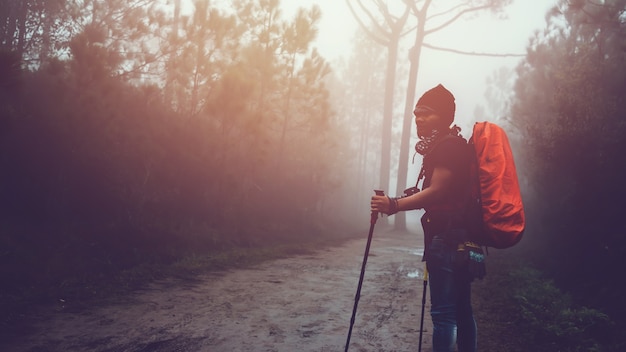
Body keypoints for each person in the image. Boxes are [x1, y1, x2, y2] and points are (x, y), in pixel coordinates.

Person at [371, 84, 483, 352]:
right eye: (416, 114)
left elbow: (438, 191)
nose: (419, 119)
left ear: (444, 116)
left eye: (427, 113)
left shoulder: (447, 146)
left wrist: (394, 205)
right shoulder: (453, 144)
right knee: (461, 310)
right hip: (462, 238)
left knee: (444, 314)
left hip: (446, 239)